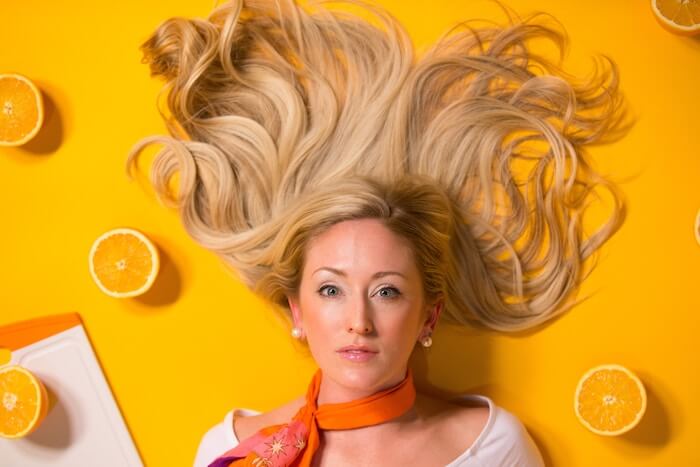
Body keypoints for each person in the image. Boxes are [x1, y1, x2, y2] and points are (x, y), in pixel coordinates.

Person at [126, 0, 630, 465]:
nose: (358, 321)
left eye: (387, 291)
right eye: (330, 289)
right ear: (298, 311)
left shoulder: (493, 447)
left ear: (428, 317)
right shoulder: (233, 453)